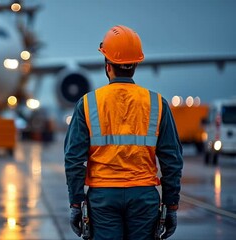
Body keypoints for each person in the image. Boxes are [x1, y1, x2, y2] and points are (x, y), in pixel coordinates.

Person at [64, 25, 183, 240]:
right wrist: (171, 205)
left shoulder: (88, 103)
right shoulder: (156, 103)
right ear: (136, 64)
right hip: (144, 197)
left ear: (107, 64)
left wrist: (76, 202)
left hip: (103, 198)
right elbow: (172, 159)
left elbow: (73, 159)